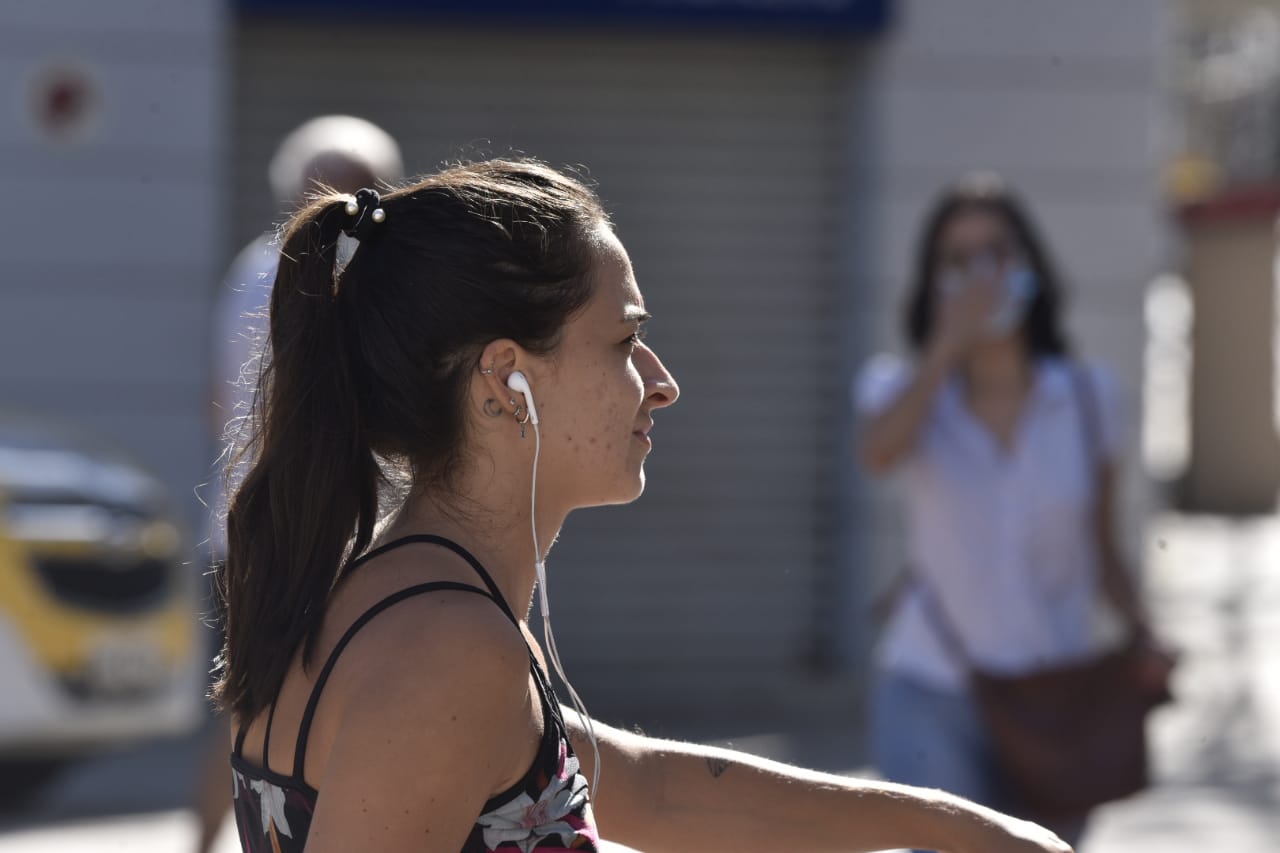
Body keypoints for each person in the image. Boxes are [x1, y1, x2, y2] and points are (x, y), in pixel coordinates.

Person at [212, 158, 1072, 853]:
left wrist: (951, 824)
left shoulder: (423, 605)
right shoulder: (448, 647)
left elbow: (645, 787)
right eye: (625, 340)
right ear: (505, 381)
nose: (661, 384)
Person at [853, 173, 1175, 849]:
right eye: (957, 260)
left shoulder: (1089, 398)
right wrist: (947, 345)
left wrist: (1145, 632)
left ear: (1028, 264)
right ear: (932, 280)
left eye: (996, 252)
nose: (980, 275)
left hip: (1057, 696)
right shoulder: (900, 388)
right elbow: (878, 454)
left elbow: (1102, 546)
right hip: (934, 681)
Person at [194, 115, 404, 853]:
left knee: (254, 707)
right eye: (363, 190)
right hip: (299, 528)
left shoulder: (251, 268)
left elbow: (218, 401)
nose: (374, 206)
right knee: (274, 709)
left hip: (255, 524)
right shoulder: (318, 274)